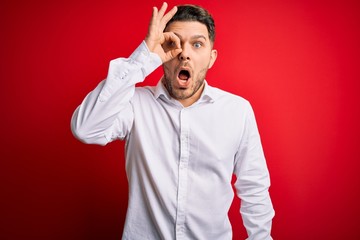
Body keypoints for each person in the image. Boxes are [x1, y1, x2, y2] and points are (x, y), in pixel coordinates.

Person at [71, 2, 275, 239]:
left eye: (197, 44)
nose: (184, 53)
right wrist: (145, 55)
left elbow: (254, 188)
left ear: (211, 57)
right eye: (174, 42)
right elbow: (85, 129)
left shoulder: (237, 111)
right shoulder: (135, 104)